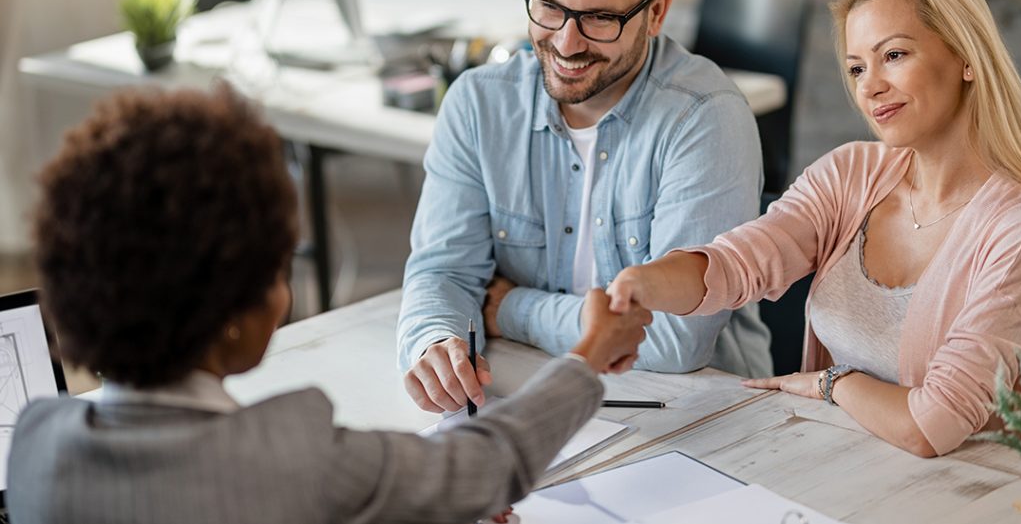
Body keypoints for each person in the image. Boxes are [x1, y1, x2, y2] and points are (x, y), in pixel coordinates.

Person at [8, 84, 652, 524]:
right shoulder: (291, 457)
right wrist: (590, 352)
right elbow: (490, 463)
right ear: (236, 315)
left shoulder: (36, 449)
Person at [607, 0, 1021, 458]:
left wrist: (832, 384)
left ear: (966, 57)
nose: (869, 87)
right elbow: (739, 263)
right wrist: (641, 284)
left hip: (968, 489)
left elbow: (932, 425)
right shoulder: (851, 173)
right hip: (841, 460)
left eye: (894, 55)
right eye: (856, 67)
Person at [397, 0, 772, 415]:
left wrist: (512, 309)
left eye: (600, 18)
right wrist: (435, 340)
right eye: (549, 7)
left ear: (657, 11)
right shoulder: (478, 105)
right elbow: (444, 273)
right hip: (527, 391)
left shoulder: (705, 115)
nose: (567, 43)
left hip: (698, 415)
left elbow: (673, 340)